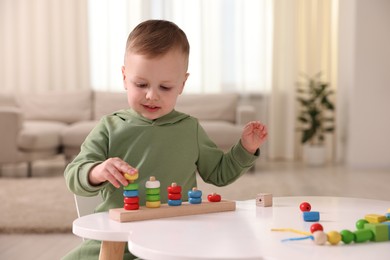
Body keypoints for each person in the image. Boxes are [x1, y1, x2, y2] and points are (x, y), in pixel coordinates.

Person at [63, 19, 268, 260]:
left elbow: (219, 174)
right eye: (141, 84)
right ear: (124, 77)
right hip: (116, 239)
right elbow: (73, 175)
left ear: (182, 84)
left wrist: (245, 148)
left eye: (165, 87)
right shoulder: (109, 127)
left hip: (174, 241)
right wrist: (97, 171)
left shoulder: (189, 128)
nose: (151, 95)